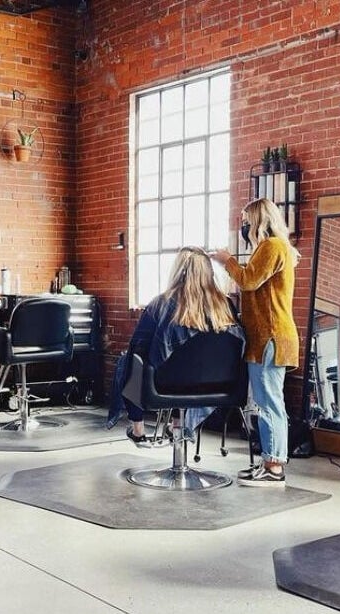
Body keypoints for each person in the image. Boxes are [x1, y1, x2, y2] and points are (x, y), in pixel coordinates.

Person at [107, 246, 244, 444]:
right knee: (189, 365)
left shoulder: (161, 303)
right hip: (218, 385)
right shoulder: (225, 305)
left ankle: (138, 428)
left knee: (127, 361)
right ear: (208, 272)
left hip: (165, 385)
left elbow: (138, 348)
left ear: (177, 271)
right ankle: (178, 425)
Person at [211, 197, 300, 487]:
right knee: (266, 401)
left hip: (271, 336)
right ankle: (269, 461)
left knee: (269, 403)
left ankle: (274, 466)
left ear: (260, 220)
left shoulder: (273, 247)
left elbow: (248, 281)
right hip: (263, 337)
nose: (244, 226)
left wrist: (227, 262)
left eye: (247, 221)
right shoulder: (269, 248)